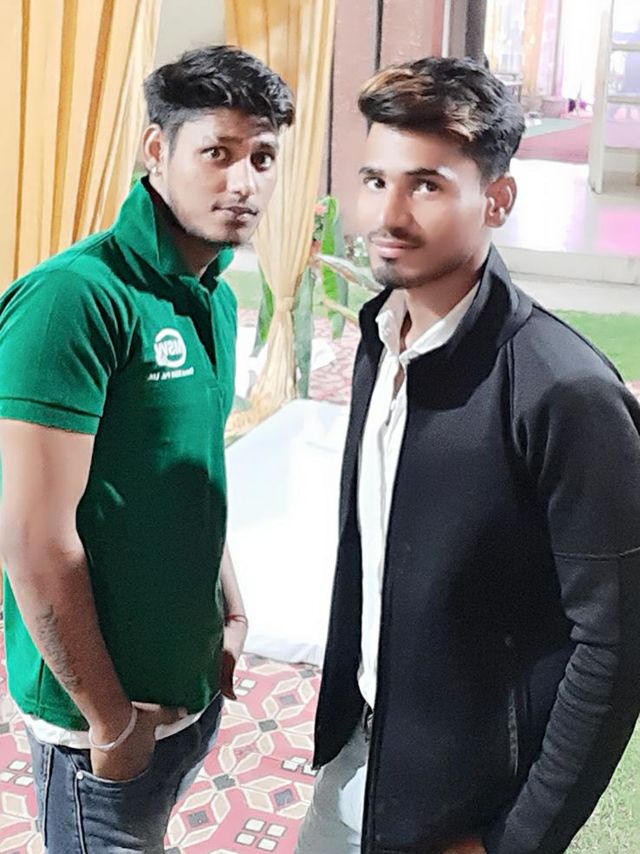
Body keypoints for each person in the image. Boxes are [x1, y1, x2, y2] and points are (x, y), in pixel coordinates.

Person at [296, 56, 640, 854]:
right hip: (357, 753)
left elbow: (616, 645)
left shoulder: (565, 392)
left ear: (498, 199)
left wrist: (516, 839)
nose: (388, 213)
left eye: (426, 184)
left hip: (467, 801)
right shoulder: (382, 338)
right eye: (375, 180)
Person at [0, 45, 293, 853]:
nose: (244, 182)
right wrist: (110, 723)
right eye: (218, 152)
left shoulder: (213, 296)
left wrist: (230, 607)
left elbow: (190, 469)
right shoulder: (73, 298)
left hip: (187, 692)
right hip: (99, 732)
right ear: (157, 150)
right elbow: (31, 539)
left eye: (262, 157)